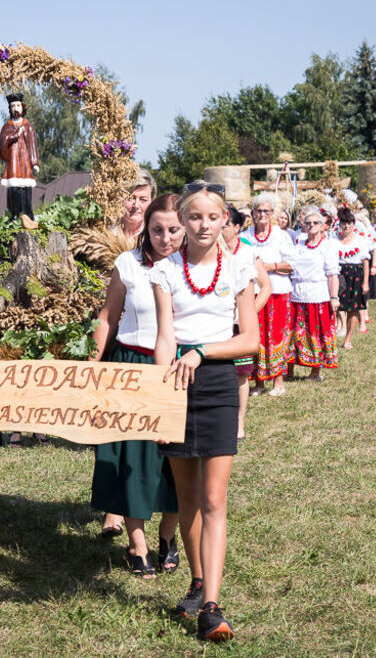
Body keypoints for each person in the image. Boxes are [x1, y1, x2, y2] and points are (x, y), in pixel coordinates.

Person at [150, 183, 259, 642]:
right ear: (185, 220)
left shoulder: (239, 269)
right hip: (175, 386)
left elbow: (249, 340)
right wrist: (159, 402)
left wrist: (200, 352)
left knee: (215, 499)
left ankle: (211, 607)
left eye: (212, 218)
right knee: (187, 496)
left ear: (224, 222)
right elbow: (163, 338)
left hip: (215, 384)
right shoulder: (165, 271)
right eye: (194, 217)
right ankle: (197, 581)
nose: (202, 226)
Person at [90, 193, 183, 578]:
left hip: (179, 369)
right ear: (146, 227)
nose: (165, 237)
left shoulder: (191, 268)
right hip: (131, 365)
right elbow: (109, 317)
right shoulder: (128, 264)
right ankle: (137, 543)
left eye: (174, 229)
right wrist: (90, 368)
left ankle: (167, 535)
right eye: (157, 229)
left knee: (175, 461)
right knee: (132, 458)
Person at [225, 208, 271, 440]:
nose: (218, 229)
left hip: (239, 325)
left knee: (241, 374)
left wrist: (249, 312)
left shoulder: (248, 252)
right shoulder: (207, 251)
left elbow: (266, 286)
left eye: (224, 224)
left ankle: (239, 423)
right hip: (215, 323)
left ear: (236, 228)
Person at [242, 194, 293, 397]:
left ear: (272, 214)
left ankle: (278, 381)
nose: (262, 215)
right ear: (253, 214)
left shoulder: (281, 236)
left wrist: (267, 267)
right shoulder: (245, 236)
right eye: (258, 211)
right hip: (253, 293)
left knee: (277, 335)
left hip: (278, 292)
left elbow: (290, 265)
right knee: (256, 335)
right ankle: (259, 382)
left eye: (266, 211)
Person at [288, 208, 340, 381]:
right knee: (293, 333)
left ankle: (315, 372)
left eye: (315, 223)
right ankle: (289, 371)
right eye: (308, 223)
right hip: (296, 293)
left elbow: (332, 274)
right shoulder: (298, 243)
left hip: (317, 294)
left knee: (315, 333)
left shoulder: (327, 245)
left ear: (323, 226)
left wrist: (334, 297)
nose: (311, 226)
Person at [0, 93, 40, 221]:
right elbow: (3, 141)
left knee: (26, 188)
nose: (15, 108)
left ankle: (28, 212)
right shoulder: (7, 126)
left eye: (18, 105)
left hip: (25, 160)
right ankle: (15, 213)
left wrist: (35, 163)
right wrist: (15, 134)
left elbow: (32, 145)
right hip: (14, 161)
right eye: (13, 106)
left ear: (22, 107)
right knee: (14, 188)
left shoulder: (28, 126)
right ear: (10, 109)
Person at [335, 208, 370, 351]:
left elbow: (365, 262)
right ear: (340, 224)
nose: (346, 226)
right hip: (338, 274)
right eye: (344, 223)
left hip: (355, 275)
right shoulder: (333, 239)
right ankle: (337, 330)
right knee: (335, 306)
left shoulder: (360, 240)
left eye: (349, 223)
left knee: (354, 309)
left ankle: (348, 338)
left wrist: (366, 282)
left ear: (353, 225)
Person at [113, 169, 156, 239]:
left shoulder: (155, 237)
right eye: (131, 198)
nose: (136, 205)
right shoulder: (105, 233)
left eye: (143, 199)